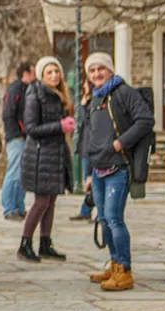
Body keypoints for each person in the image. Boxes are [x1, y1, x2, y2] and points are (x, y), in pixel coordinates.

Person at [82, 52, 154, 291]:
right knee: (103, 219)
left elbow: (145, 120)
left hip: (118, 167)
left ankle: (124, 270)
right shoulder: (95, 99)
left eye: (100, 69)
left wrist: (119, 143)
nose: (96, 74)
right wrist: (90, 173)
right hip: (99, 168)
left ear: (110, 70)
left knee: (114, 218)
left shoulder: (124, 93)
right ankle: (114, 264)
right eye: (91, 71)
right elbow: (92, 136)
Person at [18, 56, 74, 263]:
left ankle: (45, 243)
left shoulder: (58, 95)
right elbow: (31, 128)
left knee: (51, 200)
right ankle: (25, 244)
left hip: (55, 154)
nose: (54, 75)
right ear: (42, 75)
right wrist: (60, 126)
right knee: (41, 201)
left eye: (56, 71)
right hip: (40, 155)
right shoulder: (36, 94)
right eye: (49, 72)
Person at [1, 62, 35, 220]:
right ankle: (9, 207)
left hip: (24, 136)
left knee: (22, 173)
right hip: (17, 137)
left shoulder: (27, 89)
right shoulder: (15, 89)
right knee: (14, 171)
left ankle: (19, 207)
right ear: (26, 72)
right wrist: (17, 133)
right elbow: (9, 113)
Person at [69, 80, 95, 222]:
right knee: (89, 180)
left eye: (85, 84)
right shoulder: (88, 101)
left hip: (90, 146)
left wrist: (83, 106)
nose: (82, 86)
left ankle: (89, 210)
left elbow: (87, 120)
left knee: (90, 180)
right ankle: (86, 210)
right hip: (85, 145)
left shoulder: (93, 102)